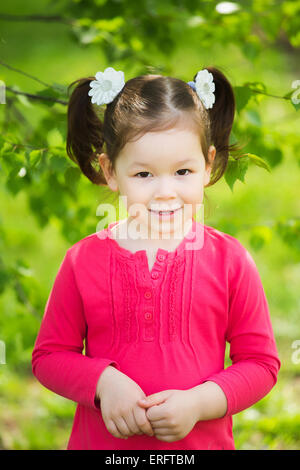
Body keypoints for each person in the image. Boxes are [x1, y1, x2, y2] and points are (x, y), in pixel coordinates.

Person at [31, 66, 281, 450]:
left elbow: (261, 365)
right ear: (111, 171)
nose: (166, 191)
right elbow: (49, 356)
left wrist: (199, 402)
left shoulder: (230, 261)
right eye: (144, 174)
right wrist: (103, 382)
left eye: (183, 171)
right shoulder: (82, 261)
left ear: (208, 165)